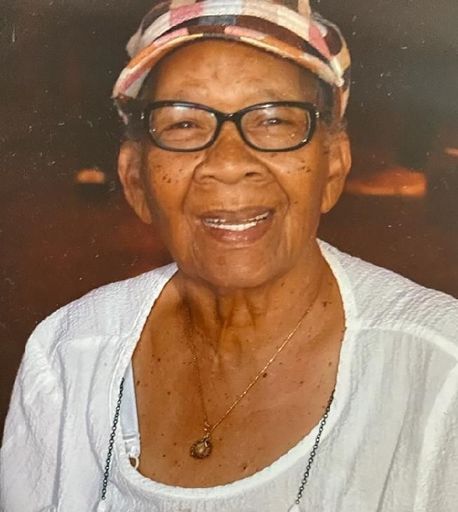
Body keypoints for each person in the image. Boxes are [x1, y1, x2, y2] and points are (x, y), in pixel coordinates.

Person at [1, 1, 457, 511]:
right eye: (183, 125)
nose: (229, 162)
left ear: (333, 167)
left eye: (274, 120)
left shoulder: (439, 370)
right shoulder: (69, 354)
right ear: (135, 180)